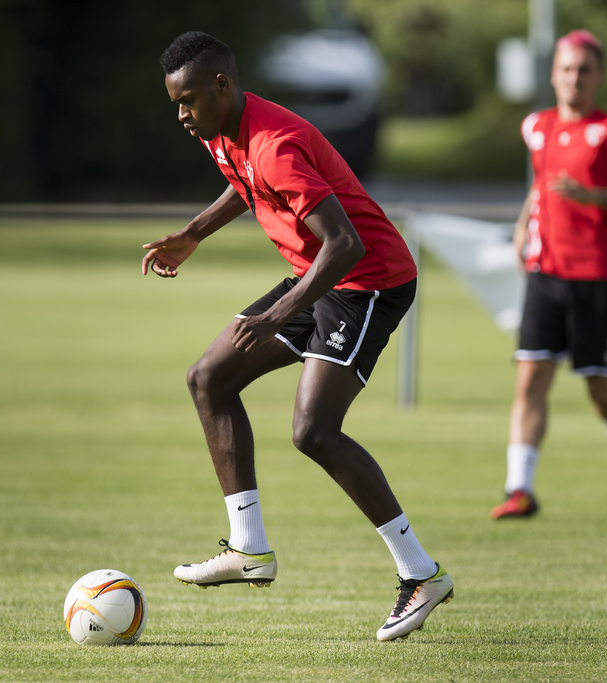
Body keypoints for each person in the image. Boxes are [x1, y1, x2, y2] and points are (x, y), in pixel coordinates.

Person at [142, 31, 452, 641]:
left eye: (188, 102)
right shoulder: (224, 128)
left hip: (370, 281)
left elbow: (346, 244)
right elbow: (243, 181)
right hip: (317, 279)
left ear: (223, 87)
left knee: (313, 432)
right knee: (209, 378)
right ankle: (248, 548)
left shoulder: (275, 142)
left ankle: (421, 574)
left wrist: (281, 310)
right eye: (176, 103)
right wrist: (194, 232)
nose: (182, 115)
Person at [491, 29, 607, 520]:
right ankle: (519, 488)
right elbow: (543, 184)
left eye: (584, 70)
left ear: (599, 76)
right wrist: (523, 226)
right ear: (552, 75)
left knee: (600, 387)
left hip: (597, 277)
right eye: (566, 69)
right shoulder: (537, 126)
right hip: (546, 272)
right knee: (530, 380)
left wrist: (594, 195)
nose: (574, 78)